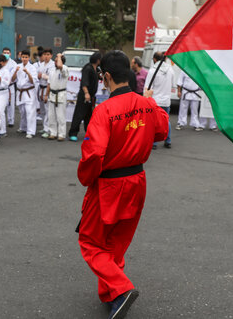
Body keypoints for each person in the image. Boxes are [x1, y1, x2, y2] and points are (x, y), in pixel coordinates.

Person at [77, 50, 169, 319]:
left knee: (91, 243)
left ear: (105, 77)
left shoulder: (104, 110)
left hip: (108, 185)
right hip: (137, 181)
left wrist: (86, 178)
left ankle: (121, 288)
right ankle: (112, 296)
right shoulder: (146, 104)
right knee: (117, 243)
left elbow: (94, 154)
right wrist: (150, 103)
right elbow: (162, 131)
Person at [69, 51, 102, 141]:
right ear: (97, 60)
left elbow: (100, 77)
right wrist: (86, 93)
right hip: (85, 95)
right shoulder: (88, 68)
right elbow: (84, 82)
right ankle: (73, 133)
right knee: (79, 114)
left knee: (89, 116)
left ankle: (89, 133)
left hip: (92, 96)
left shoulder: (96, 69)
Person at [144, 52, 174, 149]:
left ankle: (154, 143)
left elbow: (147, 88)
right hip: (166, 100)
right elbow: (172, 85)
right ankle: (168, 141)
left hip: (155, 100)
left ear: (155, 59)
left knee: (154, 122)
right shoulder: (171, 70)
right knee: (167, 120)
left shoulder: (152, 71)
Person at [11, 50, 38, 139]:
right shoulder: (17, 66)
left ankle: (31, 131)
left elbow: (33, 81)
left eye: (26, 57)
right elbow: (13, 79)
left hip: (29, 92)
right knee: (22, 111)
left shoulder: (32, 68)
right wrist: (15, 72)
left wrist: (27, 73)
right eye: (23, 57)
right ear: (20, 57)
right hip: (20, 92)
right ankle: (23, 127)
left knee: (30, 112)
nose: (24, 59)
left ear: (29, 58)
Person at [45, 53, 68, 141]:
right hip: (52, 94)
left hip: (61, 94)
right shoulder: (52, 70)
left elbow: (59, 65)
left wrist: (59, 56)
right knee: (51, 116)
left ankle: (61, 134)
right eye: (55, 60)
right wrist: (46, 95)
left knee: (60, 116)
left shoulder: (64, 69)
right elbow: (49, 83)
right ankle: (53, 132)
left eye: (57, 60)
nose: (55, 62)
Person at [38, 48, 55, 137]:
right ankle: (44, 127)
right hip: (40, 88)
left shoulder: (52, 65)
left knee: (48, 110)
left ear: (51, 55)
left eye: (48, 55)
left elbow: (52, 78)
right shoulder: (41, 64)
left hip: (47, 88)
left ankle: (48, 129)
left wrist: (42, 76)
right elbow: (38, 76)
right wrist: (39, 76)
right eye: (45, 55)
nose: (46, 56)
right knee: (42, 110)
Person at [2, 47, 18, 127]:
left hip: (10, 86)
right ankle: (1, 120)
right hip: (2, 87)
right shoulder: (0, 62)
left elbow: (13, 76)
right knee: (2, 104)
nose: (6, 54)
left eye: (7, 53)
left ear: (10, 54)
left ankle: (11, 121)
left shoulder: (14, 64)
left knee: (11, 104)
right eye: (4, 52)